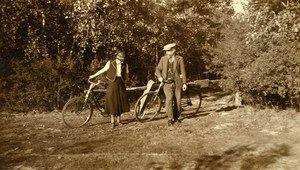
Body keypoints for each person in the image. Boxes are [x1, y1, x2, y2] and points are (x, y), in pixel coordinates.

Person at [89, 49, 130, 128]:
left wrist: (125, 80)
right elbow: (103, 70)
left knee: (120, 101)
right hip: (112, 83)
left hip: (120, 83)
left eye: (123, 59)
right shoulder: (110, 63)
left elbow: (127, 73)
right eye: (121, 59)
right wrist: (93, 76)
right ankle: (112, 121)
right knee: (111, 101)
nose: (122, 61)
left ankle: (119, 120)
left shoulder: (125, 64)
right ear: (117, 57)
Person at [155, 43, 187, 126]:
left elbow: (183, 71)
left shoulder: (179, 59)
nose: (167, 53)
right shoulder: (163, 59)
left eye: (168, 51)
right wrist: (159, 77)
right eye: (166, 51)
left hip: (177, 83)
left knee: (178, 100)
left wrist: (184, 83)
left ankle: (177, 117)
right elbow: (157, 69)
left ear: (173, 50)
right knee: (169, 100)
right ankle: (170, 118)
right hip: (167, 84)